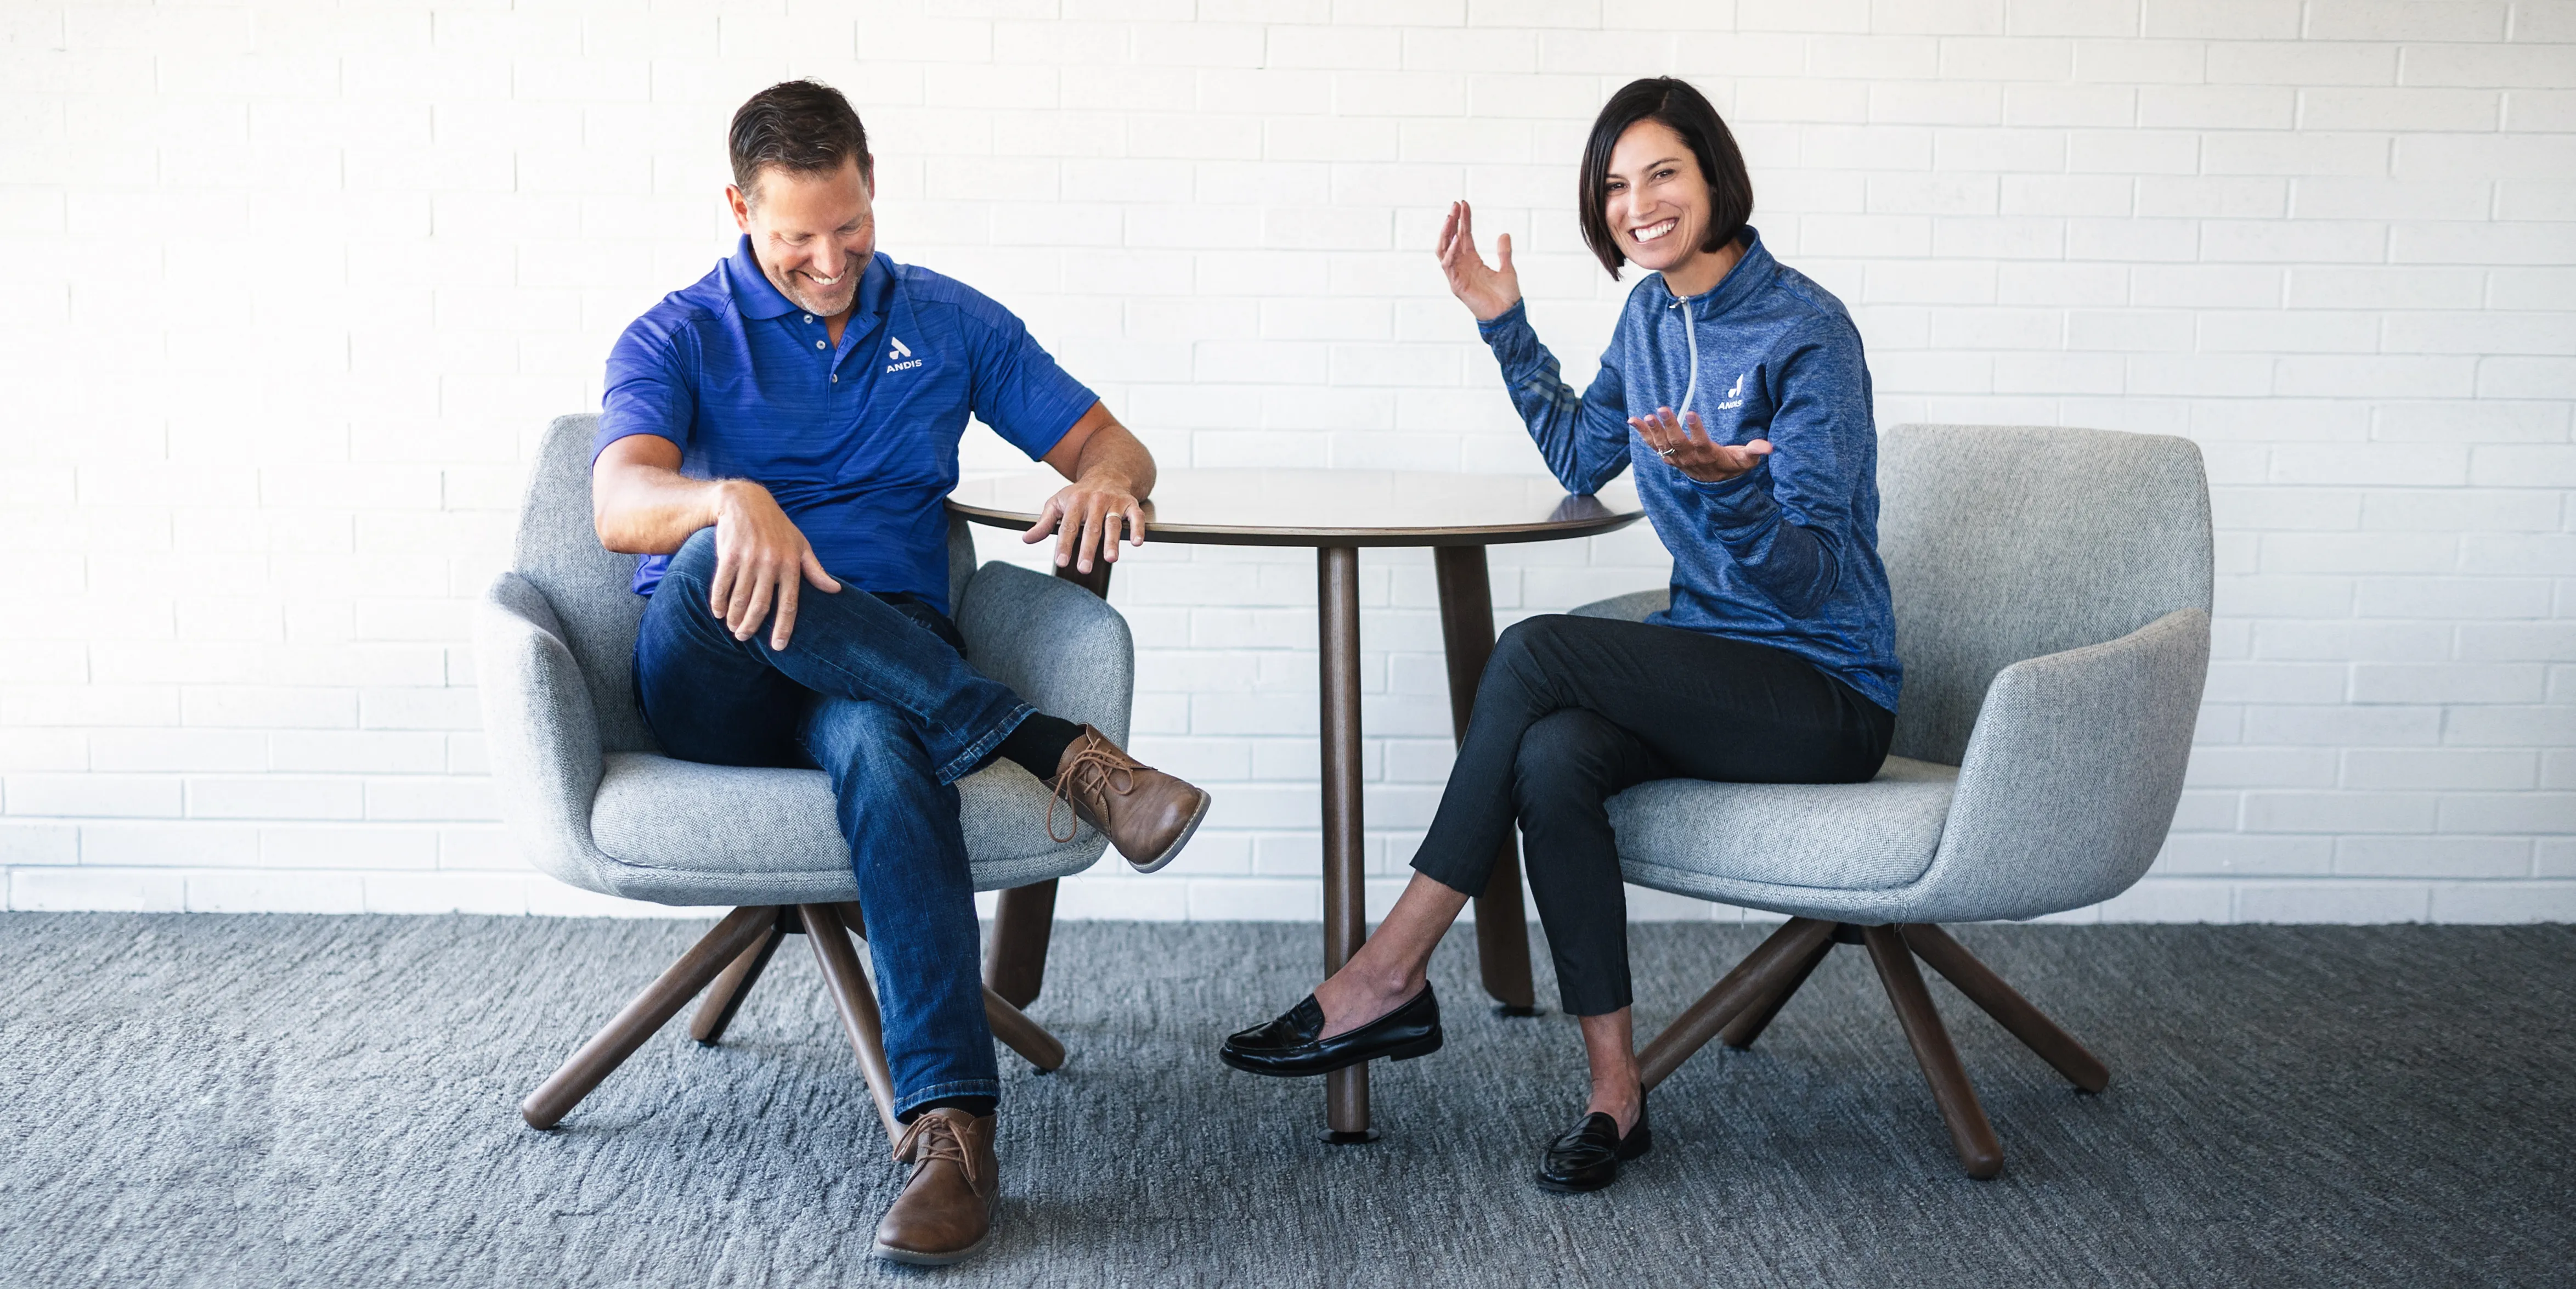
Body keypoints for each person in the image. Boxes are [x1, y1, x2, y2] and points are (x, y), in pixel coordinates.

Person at [1220, 76, 1902, 1195]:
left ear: (1715, 174)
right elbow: (1582, 454)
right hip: (1714, 666)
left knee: (1534, 651)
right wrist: (1501, 322)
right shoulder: (1648, 313)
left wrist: (1732, 492)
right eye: (1614, 185)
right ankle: (1612, 1096)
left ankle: (1386, 972)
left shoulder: (1805, 332)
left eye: (1661, 173)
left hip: (1824, 690)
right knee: (1551, 753)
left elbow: (1816, 566)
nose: (1637, 203)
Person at [590, 80, 1211, 1265]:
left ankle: (950, 1135)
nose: (827, 261)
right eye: (794, 239)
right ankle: (1052, 749)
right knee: (722, 555)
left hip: (883, 675)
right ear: (738, 209)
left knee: (883, 748)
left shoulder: (949, 320)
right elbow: (621, 504)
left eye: (849, 229)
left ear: (872, 184)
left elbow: (1108, 442)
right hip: (713, 671)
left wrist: (1106, 484)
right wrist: (732, 501)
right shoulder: (676, 334)